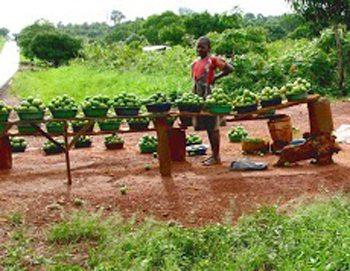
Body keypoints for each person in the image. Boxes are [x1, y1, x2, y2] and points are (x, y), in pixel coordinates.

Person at [192, 36, 234, 166]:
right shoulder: (195, 63)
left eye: (202, 47)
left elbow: (230, 69)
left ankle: (216, 156)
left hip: (209, 96)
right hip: (199, 96)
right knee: (207, 126)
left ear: (208, 48)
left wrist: (216, 77)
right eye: (198, 46)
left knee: (213, 126)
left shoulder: (213, 60)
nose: (199, 49)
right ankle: (213, 155)